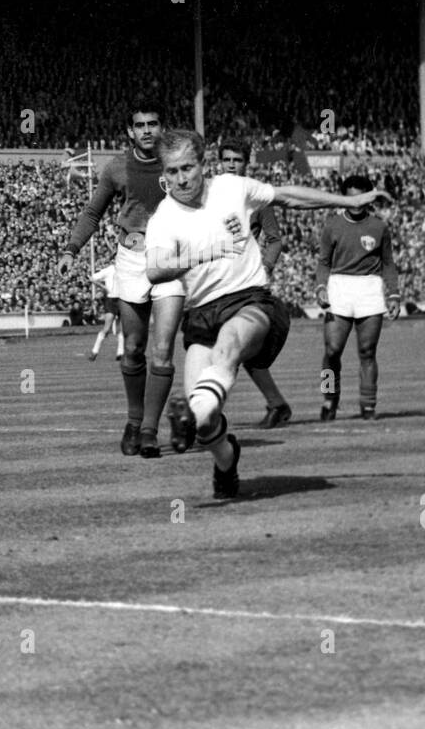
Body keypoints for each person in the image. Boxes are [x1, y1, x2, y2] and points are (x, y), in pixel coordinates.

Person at [146, 129, 386, 498]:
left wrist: (350, 199)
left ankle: (340, 402)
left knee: (228, 347)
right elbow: (154, 269)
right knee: (206, 420)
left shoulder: (231, 187)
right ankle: (226, 459)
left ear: (203, 163)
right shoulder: (164, 216)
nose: (181, 179)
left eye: (188, 168)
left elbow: (288, 195)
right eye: (173, 171)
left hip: (250, 301)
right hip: (201, 315)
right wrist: (199, 255)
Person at [58, 110, 192, 458]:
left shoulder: (177, 164)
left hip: (171, 262)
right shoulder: (116, 168)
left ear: (162, 128)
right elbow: (92, 213)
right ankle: (134, 421)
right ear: (130, 131)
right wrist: (72, 249)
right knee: (133, 346)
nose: (147, 131)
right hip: (131, 261)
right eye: (140, 126)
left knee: (162, 349)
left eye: (153, 125)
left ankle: (149, 430)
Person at [315, 173, 401, 421]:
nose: (356, 204)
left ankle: (368, 405)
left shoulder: (379, 227)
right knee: (332, 350)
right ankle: (329, 399)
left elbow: (388, 263)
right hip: (339, 286)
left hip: (369, 289)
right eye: (351, 198)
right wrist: (321, 287)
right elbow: (323, 262)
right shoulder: (332, 225)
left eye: (361, 198)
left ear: (368, 198)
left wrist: (393, 294)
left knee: (367, 351)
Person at [218, 140, 292, 428]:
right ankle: (276, 403)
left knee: (227, 346)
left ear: (246, 163)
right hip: (217, 280)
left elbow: (274, 239)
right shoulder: (211, 193)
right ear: (220, 162)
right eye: (227, 159)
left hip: (244, 283)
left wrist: (266, 267)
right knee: (232, 349)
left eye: (237, 159)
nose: (232, 164)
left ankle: (209, 414)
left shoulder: (257, 198)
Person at [88, 263, 124, 361]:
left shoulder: (126, 268)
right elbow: (92, 278)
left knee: (121, 328)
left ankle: (120, 353)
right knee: (107, 328)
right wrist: (103, 287)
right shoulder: (109, 270)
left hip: (123, 299)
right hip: (111, 300)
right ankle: (94, 351)